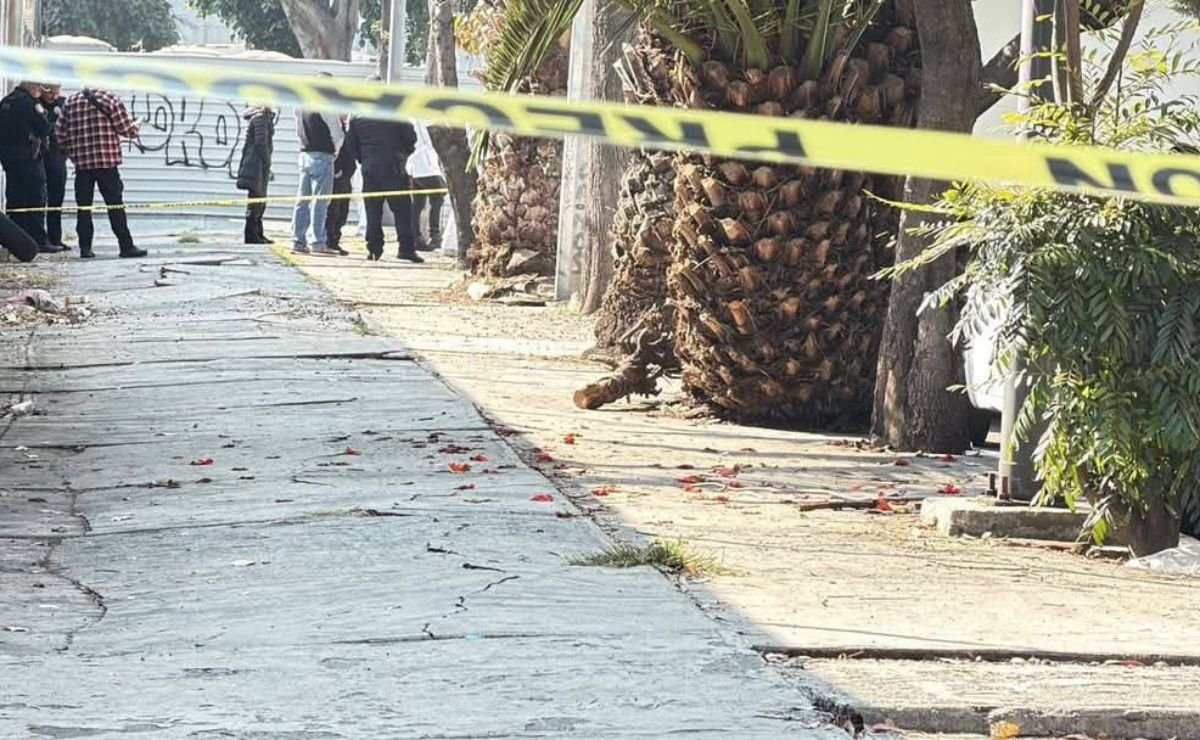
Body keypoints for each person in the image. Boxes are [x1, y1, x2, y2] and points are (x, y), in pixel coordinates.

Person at [56, 87, 145, 259]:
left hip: (82, 166)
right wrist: (137, 125)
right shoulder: (110, 98)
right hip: (107, 164)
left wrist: (73, 153)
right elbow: (127, 130)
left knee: (83, 208)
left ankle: (85, 248)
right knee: (115, 205)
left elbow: (60, 134)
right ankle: (126, 246)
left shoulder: (71, 102)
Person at [344, 105, 422, 263]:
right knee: (402, 210)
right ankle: (406, 249)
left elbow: (350, 145)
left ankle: (374, 250)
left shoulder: (358, 118)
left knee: (372, 210)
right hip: (393, 166)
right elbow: (411, 138)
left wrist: (364, 159)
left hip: (369, 168)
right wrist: (403, 154)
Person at [0, 81, 58, 253]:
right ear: (32, 87)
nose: (40, 92)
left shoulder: (5, 101)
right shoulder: (29, 103)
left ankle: (16, 241)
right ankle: (39, 240)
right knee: (35, 196)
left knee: (15, 196)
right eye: (39, 88)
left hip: (8, 156)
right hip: (28, 156)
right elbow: (44, 128)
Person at [291, 72, 343, 255]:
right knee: (320, 202)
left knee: (302, 200)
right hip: (323, 155)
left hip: (305, 155)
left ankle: (298, 241)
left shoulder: (300, 105)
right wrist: (335, 151)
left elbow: (298, 132)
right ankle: (318, 242)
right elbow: (337, 134)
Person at [236, 104, 275, 245]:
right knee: (256, 201)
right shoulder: (261, 118)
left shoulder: (262, 118)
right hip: (256, 165)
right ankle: (252, 235)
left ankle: (258, 233)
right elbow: (260, 143)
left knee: (259, 201)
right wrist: (267, 162)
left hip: (257, 164)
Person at [408, 121, 445, 252]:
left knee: (418, 203)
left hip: (414, 166)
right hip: (425, 166)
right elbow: (428, 140)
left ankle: (415, 237)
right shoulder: (420, 119)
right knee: (438, 198)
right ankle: (434, 235)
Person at [40, 83, 67, 250]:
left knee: (56, 200)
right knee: (38, 199)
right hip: (40, 158)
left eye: (56, 93)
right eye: (50, 93)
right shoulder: (36, 103)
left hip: (58, 157)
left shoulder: (63, 104)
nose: (54, 97)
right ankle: (40, 237)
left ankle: (55, 238)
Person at [325, 114, 354, 256]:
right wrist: (336, 170)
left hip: (346, 176)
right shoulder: (333, 127)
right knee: (333, 211)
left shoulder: (346, 128)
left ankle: (335, 239)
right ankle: (329, 240)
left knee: (343, 211)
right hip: (337, 175)